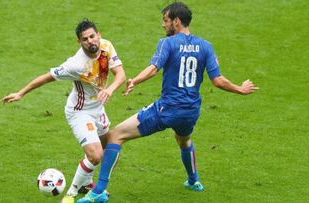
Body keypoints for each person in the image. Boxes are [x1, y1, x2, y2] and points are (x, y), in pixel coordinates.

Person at [77, 2, 259, 203]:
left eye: (165, 20)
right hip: (191, 111)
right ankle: (193, 180)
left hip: (166, 109)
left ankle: (98, 192)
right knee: (183, 140)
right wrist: (240, 89)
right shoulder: (206, 46)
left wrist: (135, 80)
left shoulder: (168, 43)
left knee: (115, 136)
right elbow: (217, 80)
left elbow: (154, 68)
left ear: (177, 21)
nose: (163, 25)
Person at [1, 19, 126, 203]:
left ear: (98, 35)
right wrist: (21, 93)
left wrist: (110, 89)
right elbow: (46, 77)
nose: (91, 41)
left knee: (112, 150)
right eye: (85, 39)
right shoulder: (75, 65)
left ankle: (90, 185)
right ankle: (70, 195)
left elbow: (120, 74)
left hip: (98, 108)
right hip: (79, 112)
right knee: (95, 155)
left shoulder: (106, 46)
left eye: (92, 36)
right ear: (79, 42)